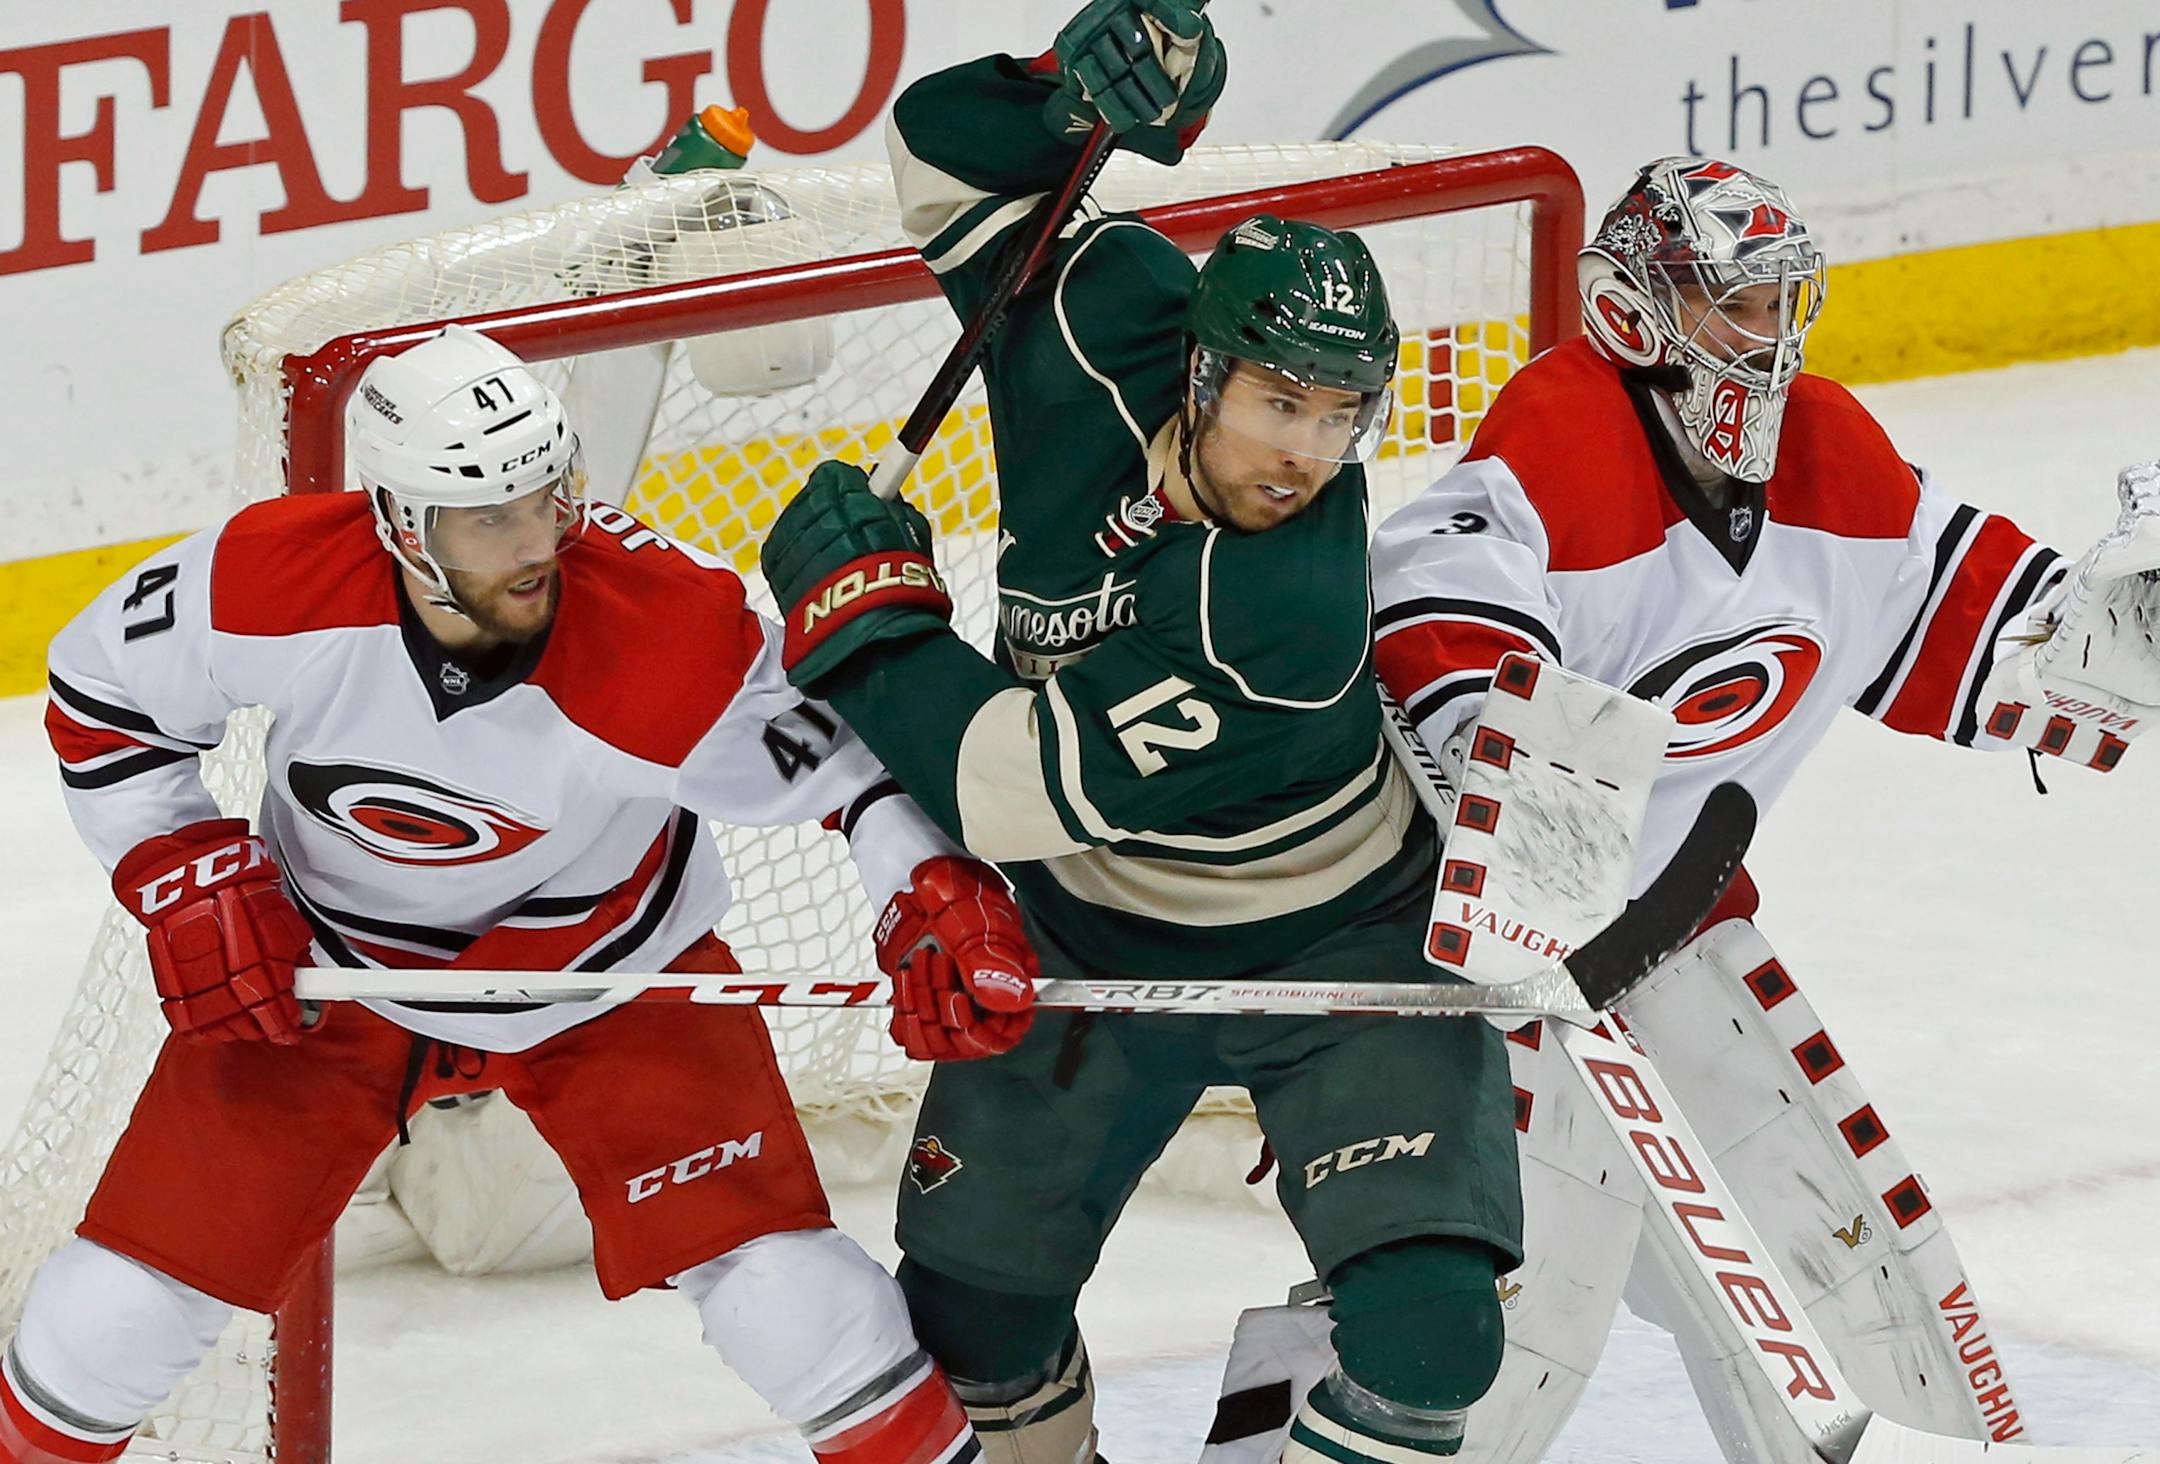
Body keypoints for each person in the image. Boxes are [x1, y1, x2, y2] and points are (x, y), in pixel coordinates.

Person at [3, 324, 1031, 1464]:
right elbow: (101, 692)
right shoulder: (270, 577)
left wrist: (931, 889)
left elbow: (858, 771)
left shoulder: (666, 636)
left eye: (549, 496)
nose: (539, 539)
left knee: (788, 1300)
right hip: (330, 972)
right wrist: (180, 866)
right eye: (491, 517)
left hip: (613, 978)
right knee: (112, 1314)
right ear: (400, 520)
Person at [754, 5, 1525, 1462]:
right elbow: (940, 156)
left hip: (1336, 938)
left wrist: (870, 627)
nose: (1305, 452)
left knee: (1435, 1334)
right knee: (970, 1326)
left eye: (1341, 418)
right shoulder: (1100, 315)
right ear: (1199, 364)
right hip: (1096, 936)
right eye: (1278, 401)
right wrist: (1061, 93)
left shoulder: (1282, 609)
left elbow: (997, 788)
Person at [1366, 156, 2160, 1461]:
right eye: (1732, 305)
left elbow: (2009, 642)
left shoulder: (1834, 458)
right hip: (1495, 982)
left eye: (1781, 301)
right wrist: (1513, 795)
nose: (1766, 340)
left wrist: (2129, 620)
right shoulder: (1558, 438)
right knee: (1515, 1331)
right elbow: (1432, 613)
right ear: (1634, 312)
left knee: (1871, 1287)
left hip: (1676, 941)